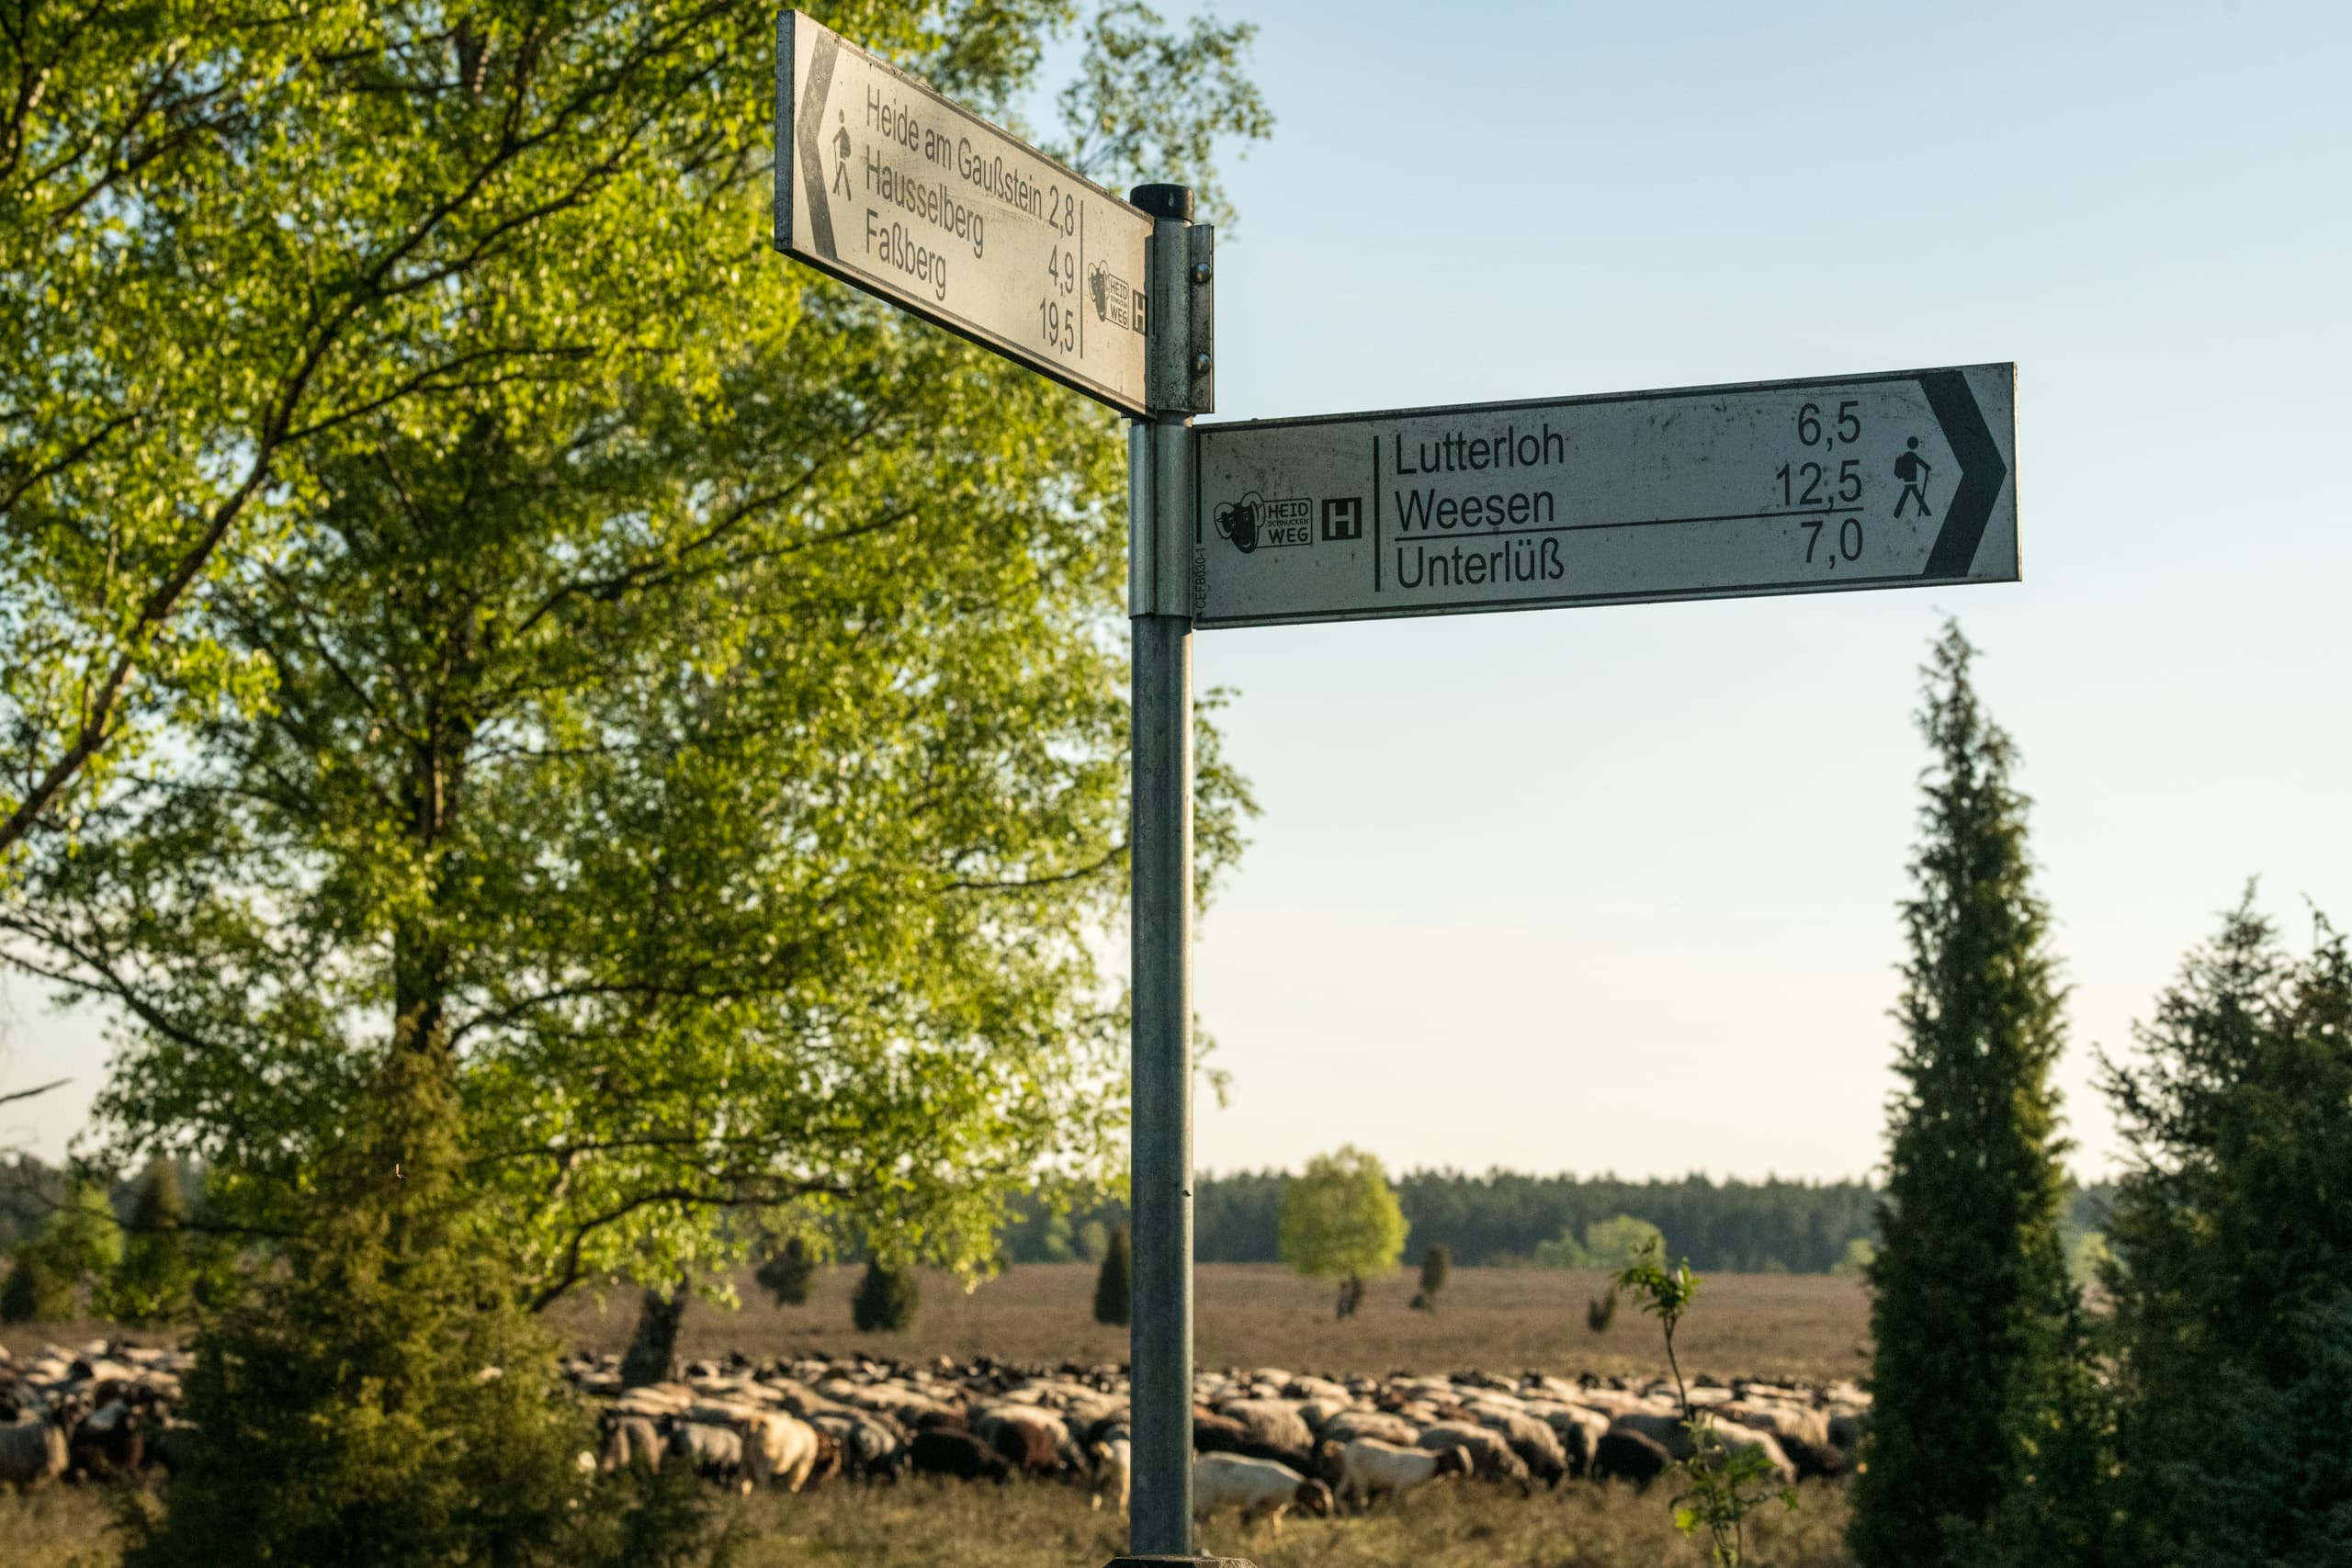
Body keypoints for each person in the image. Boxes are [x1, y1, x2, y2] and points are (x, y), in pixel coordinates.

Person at [1894, 436, 1934, 519]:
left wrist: (1927, 467)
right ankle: (1926, 512)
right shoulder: (1911, 456)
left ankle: (1897, 513)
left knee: (1908, 496)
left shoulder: (1904, 457)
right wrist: (1927, 467)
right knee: (1916, 497)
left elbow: (1920, 462)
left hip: (1908, 481)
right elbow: (1921, 462)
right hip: (1912, 481)